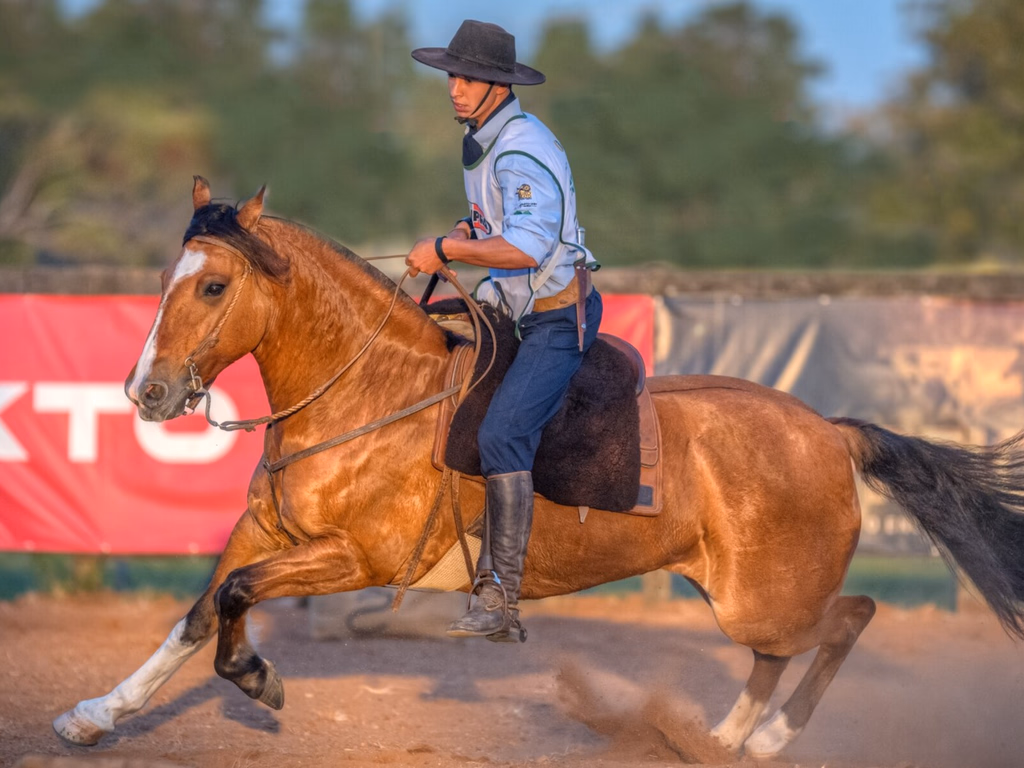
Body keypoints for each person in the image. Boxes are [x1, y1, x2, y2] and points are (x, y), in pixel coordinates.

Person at [406, 19, 602, 641]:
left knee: (502, 435)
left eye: (471, 78)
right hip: (516, 307)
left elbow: (526, 246)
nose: (456, 88)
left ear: (500, 86)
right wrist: (465, 237)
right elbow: (499, 230)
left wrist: (445, 249)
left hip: (553, 319)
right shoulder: (486, 138)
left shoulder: (519, 147)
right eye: (453, 76)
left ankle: (500, 599)